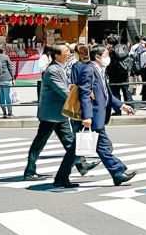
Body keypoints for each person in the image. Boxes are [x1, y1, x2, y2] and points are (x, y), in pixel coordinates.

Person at [23, 44, 99, 185]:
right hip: (51, 114)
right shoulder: (52, 70)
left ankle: (82, 165)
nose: (69, 53)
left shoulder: (60, 68)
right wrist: (81, 102)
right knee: (39, 143)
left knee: (69, 141)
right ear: (57, 55)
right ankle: (29, 171)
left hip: (59, 113)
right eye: (66, 51)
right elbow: (63, 91)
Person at [72, 44, 137, 186]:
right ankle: (118, 172)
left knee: (76, 150)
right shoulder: (88, 70)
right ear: (98, 57)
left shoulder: (100, 70)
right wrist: (87, 116)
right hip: (93, 115)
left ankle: (62, 176)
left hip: (99, 114)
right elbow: (84, 94)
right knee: (103, 146)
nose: (109, 58)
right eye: (106, 55)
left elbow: (106, 94)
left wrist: (121, 105)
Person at [106, 34, 133, 108]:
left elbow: (120, 56)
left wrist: (110, 51)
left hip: (114, 73)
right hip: (123, 72)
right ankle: (131, 107)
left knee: (115, 92)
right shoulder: (123, 46)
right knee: (126, 90)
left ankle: (118, 110)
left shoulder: (115, 48)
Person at [0, 45, 15, 119]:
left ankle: (4, 113)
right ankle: (10, 112)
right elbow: (10, 67)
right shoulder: (5, 57)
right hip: (6, 78)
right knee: (7, 96)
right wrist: (13, 78)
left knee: (1, 97)